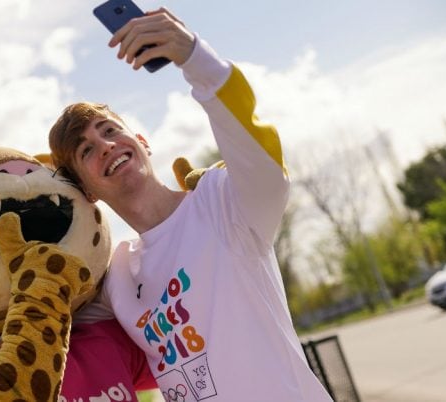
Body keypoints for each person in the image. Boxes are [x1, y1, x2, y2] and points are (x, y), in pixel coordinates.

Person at [49, 7, 332, 401]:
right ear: (87, 189)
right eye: (87, 150)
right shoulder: (116, 275)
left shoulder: (222, 203)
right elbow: (54, 326)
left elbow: (260, 156)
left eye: (110, 130)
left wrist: (194, 55)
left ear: (142, 142)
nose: (107, 146)